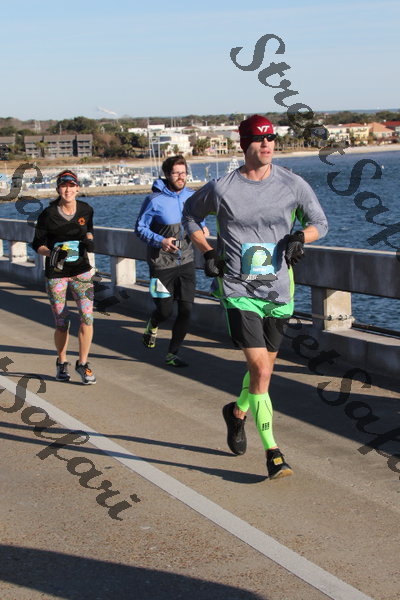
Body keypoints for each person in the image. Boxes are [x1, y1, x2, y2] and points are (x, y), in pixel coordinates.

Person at [183, 115, 328, 479]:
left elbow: (320, 224)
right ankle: (273, 453)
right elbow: (190, 215)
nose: (266, 144)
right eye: (259, 139)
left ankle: (236, 413)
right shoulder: (222, 188)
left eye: (271, 138)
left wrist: (300, 237)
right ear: (244, 144)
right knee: (261, 370)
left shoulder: (292, 184)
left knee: (262, 374)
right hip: (237, 289)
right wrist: (206, 251)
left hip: (278, 290)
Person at [135, 155, 209, 367]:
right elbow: (139, 228)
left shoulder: (192, 196)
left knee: (186, 310)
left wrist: (202, 227)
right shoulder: (154, 200)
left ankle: (172, 354)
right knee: (165, 311)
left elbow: (198, 218)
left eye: (183, 173)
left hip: (186, 261)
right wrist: (161, 240)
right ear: (167, 175)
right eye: (176, 173)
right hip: (161, 264)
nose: (181, 177)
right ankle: (154, 322)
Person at [32, 170, 96, 385]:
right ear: (58, 189)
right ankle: (62, 362)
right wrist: (51, 253)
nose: (67, 190)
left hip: (81, 271)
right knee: (62, 322)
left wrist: (89, 240)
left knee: (87, 318)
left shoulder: (86, 210)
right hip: (56, 273)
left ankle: (83, 364)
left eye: (71, 185)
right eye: (63, 186)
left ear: (77, 188)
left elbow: (88, 230)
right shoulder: (48, 214)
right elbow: (37, 244)